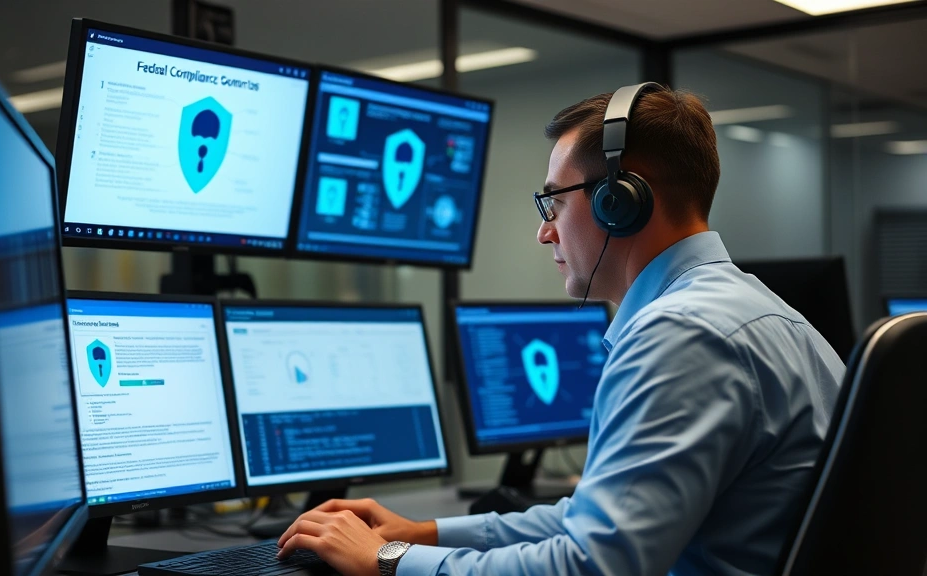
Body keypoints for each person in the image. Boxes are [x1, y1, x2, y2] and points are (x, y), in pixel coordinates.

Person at [275, 84, 845, 576]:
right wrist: (425, 532)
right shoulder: (757, 313)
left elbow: (591, 565)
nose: (544, 234)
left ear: (619, 202)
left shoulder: (682, 335)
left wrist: (387, 560)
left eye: (552, 202)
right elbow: (593, 520)